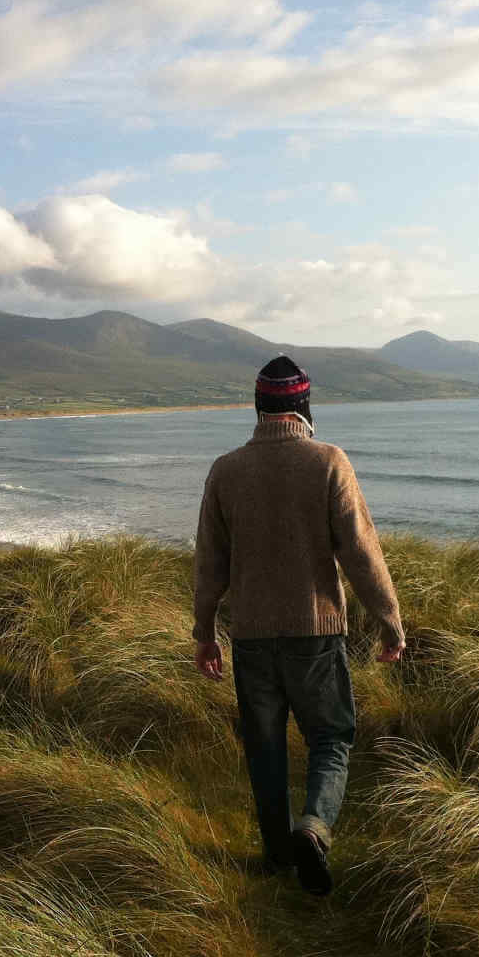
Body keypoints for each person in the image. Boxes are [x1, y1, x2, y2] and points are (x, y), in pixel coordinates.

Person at [192, 355, 404, 896]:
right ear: (304, 406)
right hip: (315, 632)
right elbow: (360, 552)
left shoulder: (225, 470)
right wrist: (390, 620)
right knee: (331, 736)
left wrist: (204, 632)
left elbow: (209, 563)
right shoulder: (328, 461)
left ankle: (275, 858)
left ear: (259, 406)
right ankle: (313, 826)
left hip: (251, 638)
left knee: (264, 749)